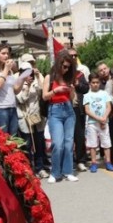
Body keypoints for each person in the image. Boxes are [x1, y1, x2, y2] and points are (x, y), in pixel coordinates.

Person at [42, 50, 78, 183]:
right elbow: (44, 96)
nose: (66, 69)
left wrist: (72, 91)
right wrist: (56, 90)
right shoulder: (49, 77)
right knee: (57, 143)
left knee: (69, 143)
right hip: (55, 111)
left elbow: (72, 98)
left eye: (69, 67)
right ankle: (55, 172)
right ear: (58, 64)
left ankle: (68, 171)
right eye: (64, 66)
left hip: (68, 109)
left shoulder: (69, 78)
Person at [16, 60, 49, 179]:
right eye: (24, 72)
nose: (28, 75)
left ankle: (40, 168)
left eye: (29, 72)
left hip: (37, 117)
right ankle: (30, 169)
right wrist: (27, 86)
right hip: (24, 119)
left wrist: (39, 76)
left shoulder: (36, 81)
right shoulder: (18, 84)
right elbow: (21, 99)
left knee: (39, 143)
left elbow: (43, 93)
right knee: (28, 144)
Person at [83, 73, 113, 172]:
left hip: (104, 122)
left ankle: (108, 162)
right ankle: (93, 163)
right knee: (92, 144)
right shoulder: (87, 95)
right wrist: (98, 118)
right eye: (93, 82)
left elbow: (108, 106)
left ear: (100, 83)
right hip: (92, 123)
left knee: (106, 142)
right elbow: (87, 110)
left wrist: (104, 118)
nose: (95, 84)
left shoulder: (104, 93)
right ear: (90, 83)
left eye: (97, 82)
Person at [69, 48, 90, 172]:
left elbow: (86, 88)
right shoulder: (60, 73)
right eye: (70, 55)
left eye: (75, 55)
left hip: (78, 108)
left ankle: (81, 160)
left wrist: (78, 84)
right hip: (64, 108)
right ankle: (69, 160)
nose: (73, 58)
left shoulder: (79, 73)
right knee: (67, 136)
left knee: (79, 135)